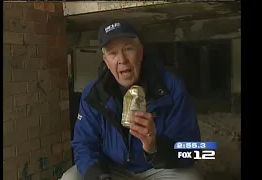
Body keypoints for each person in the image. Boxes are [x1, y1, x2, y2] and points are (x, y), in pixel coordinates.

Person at [60, 19, 202, 180]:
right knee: (70, 178)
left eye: (128, 49)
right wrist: (98, 175)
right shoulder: (93, 94)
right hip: (112, 169)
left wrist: (155, 147)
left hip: (159, 169)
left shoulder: (172, 87)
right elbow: (83, 145)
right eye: (112, 53)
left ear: (140, 52)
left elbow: (194, 149)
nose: (122, 60)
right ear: (106, 61)